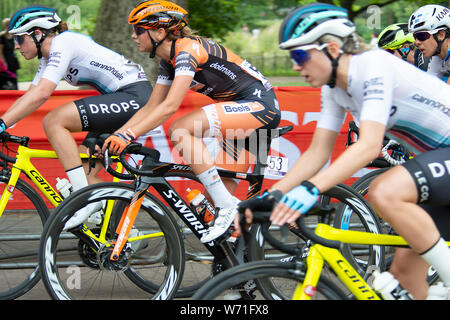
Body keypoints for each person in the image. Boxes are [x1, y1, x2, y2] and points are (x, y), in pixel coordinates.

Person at [237, 3, 450, 300]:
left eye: (299, 55)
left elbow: (368, 146)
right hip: (439, 162)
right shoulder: (334, 89)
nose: (296, 66)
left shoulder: (373, 67)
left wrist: (308, 190)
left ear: (332, 48)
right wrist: (271, 196)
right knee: (404, 278)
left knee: (385, 191)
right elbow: (317, 153)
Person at [102, 0, 281, 243]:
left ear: (159, 31)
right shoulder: (169, 61)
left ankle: (231, 208)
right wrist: (118, 134)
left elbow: (169, 107)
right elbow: (152, 107)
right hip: (241, 118)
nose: (133, 36)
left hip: (260, 108)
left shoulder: (188, 51)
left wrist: (127, 136)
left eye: (138, 30)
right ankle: (242, 266)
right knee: (213, 209)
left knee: (181, 129)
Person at [1, 6, 152, 230]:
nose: (16, 46)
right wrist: (4, 122)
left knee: (54, 121)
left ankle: (83, 201)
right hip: (122, 100)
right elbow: (30, 95)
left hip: (134, 96)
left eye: (20, 39)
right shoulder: (49, 57)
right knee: (85, 171)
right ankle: (119, 233)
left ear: (38, 33)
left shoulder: (64, 42)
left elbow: (42, 94)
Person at [409, 4, 450, 83]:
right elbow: (429, 86)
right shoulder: (438, 56)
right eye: (415, 37)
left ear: (441, 35)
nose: (417, 42)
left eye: (422, 36)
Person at [0, 18, 20, 89]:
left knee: (14, 78)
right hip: (5, 59)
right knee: (5, 78)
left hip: (12, 59)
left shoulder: (12, 36)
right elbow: (0, 52)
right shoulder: (2, 36)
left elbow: (14, 48)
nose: (8, 26)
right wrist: (4, 62)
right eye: (7, 25)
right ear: (4, 26)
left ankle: (14, 93)